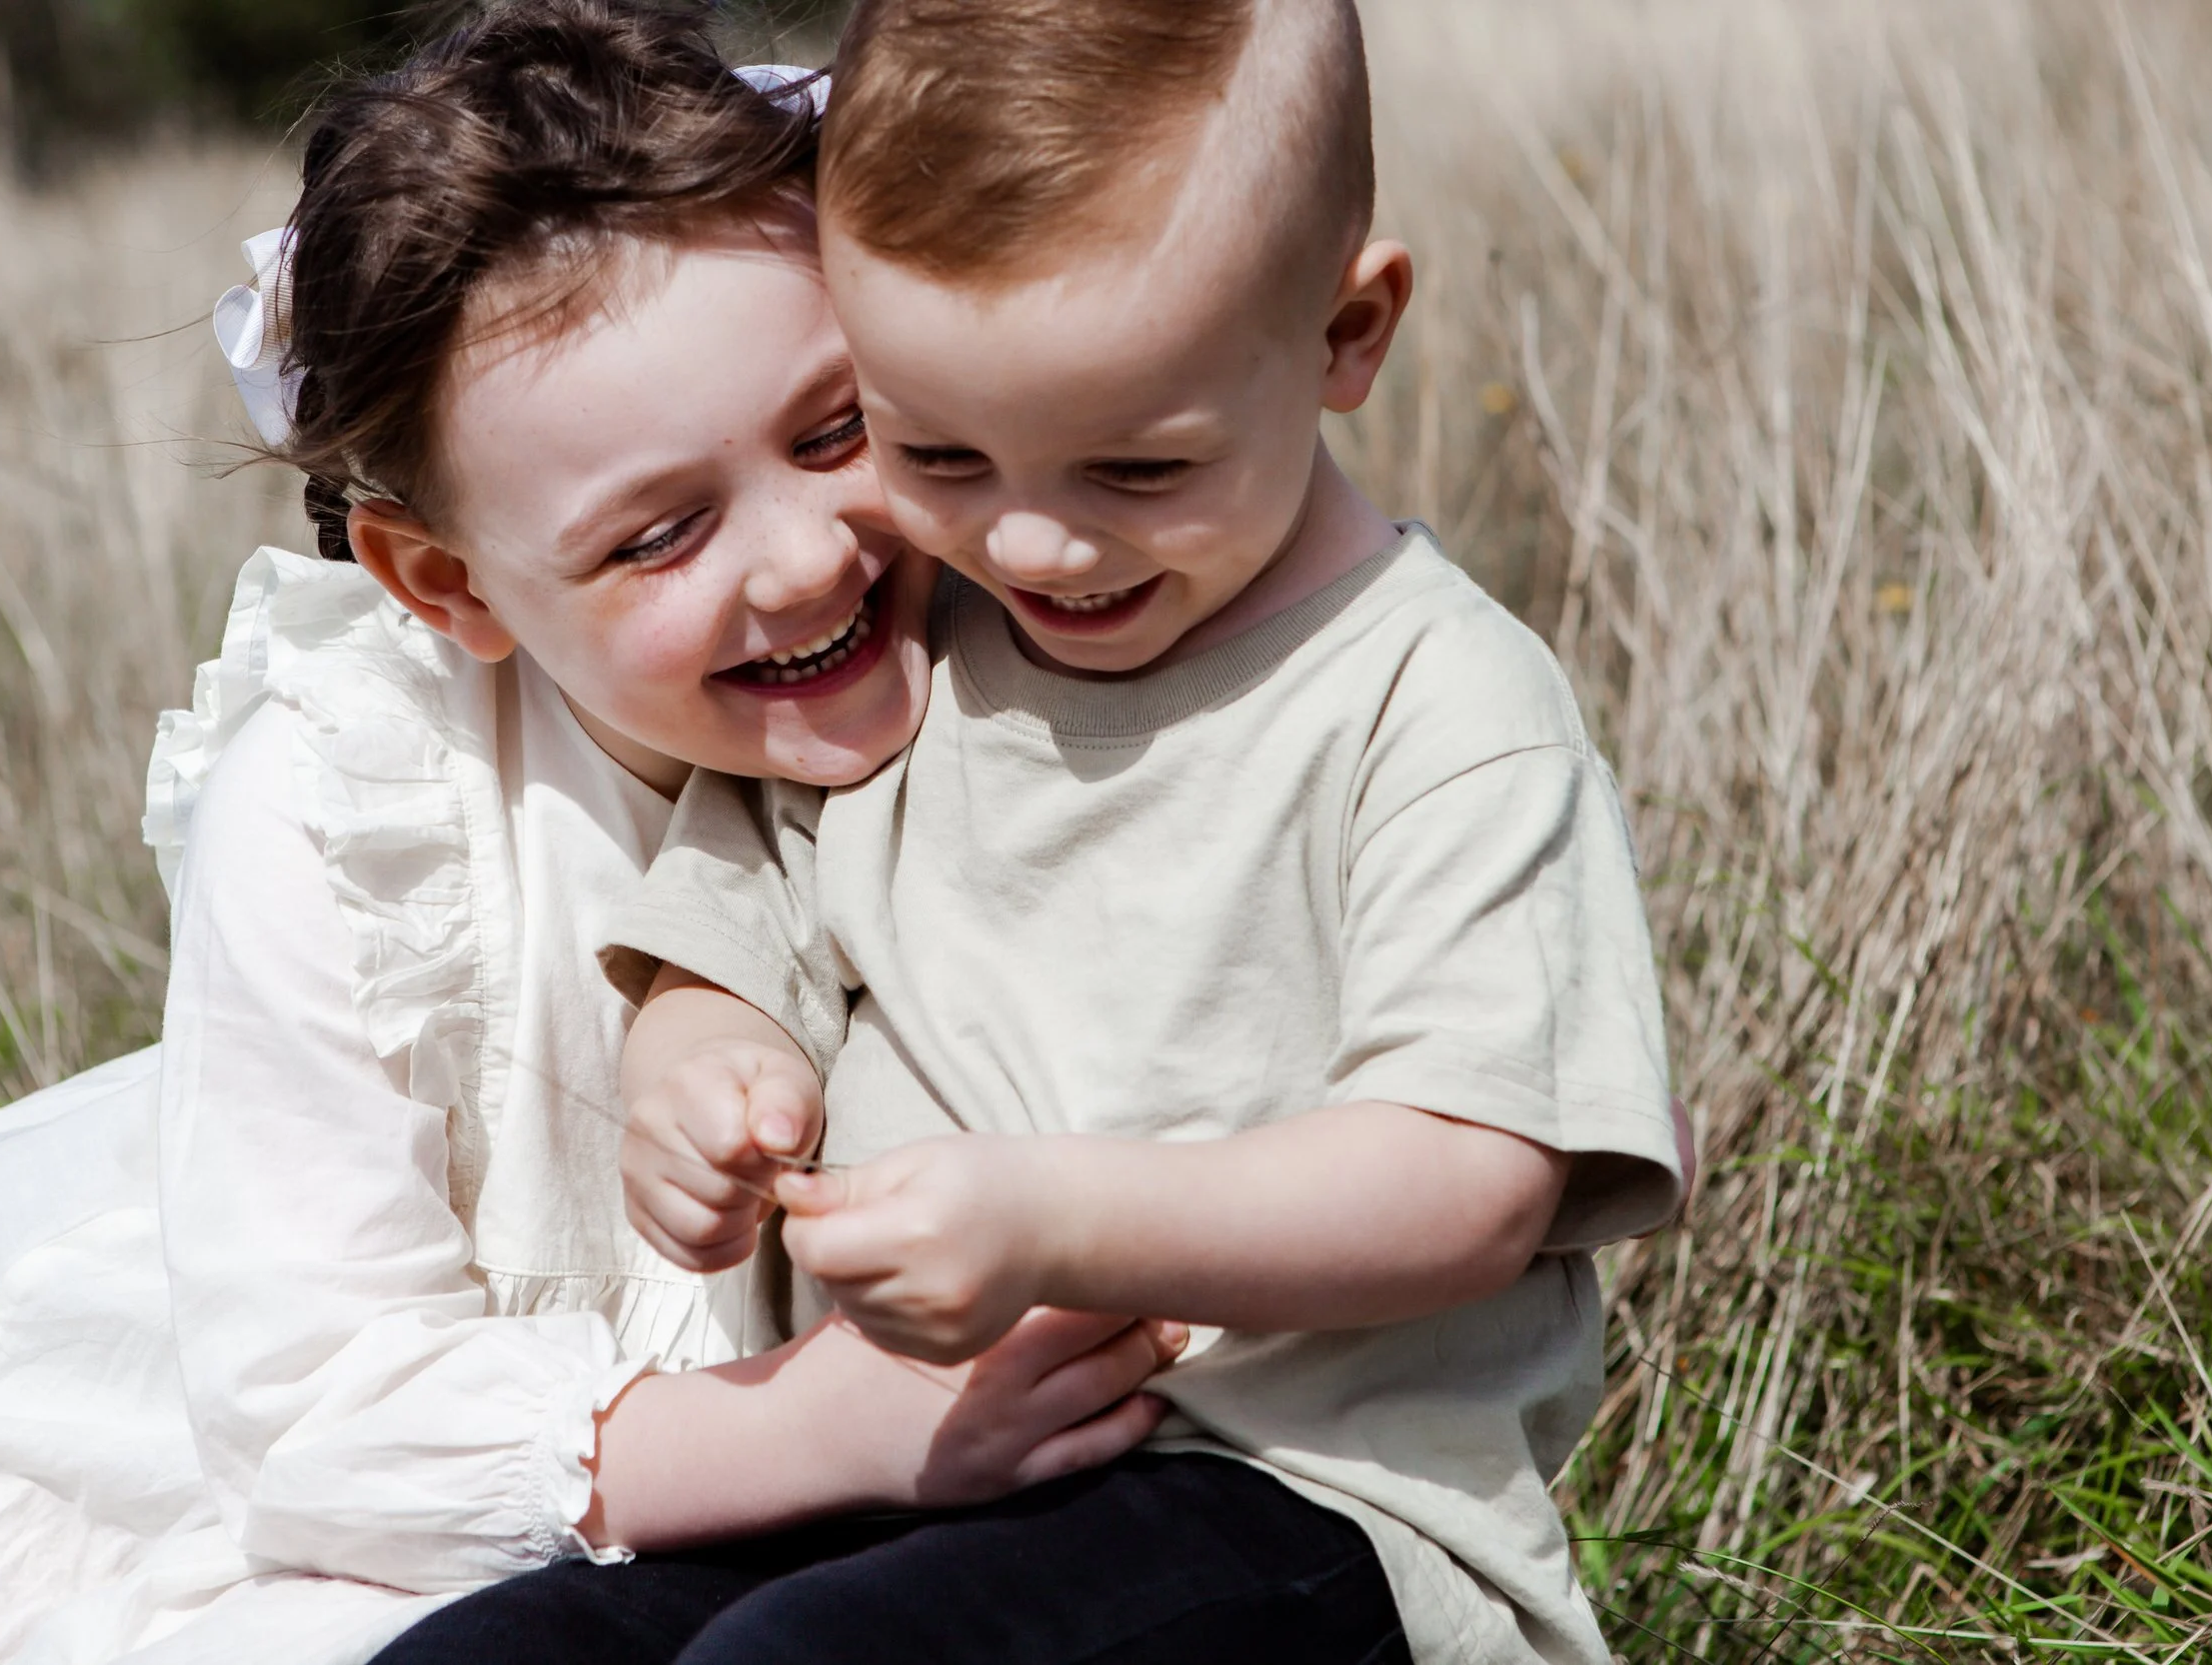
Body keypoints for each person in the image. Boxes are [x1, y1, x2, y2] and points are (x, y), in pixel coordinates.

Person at [0, 8, 1183, 1663]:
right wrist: (821, 1429)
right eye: (661, 533)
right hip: (354, 1412)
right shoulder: (338, 813)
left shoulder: (1038, 600)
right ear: (447, 585)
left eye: (831, 429)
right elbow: (320, 1423)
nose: (807, 559)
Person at [530, 1, 1687, 1662]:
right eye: (935, 449)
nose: (1034, 538)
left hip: (1299, 1508)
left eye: (1136, 469)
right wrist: (696, 1053)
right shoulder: (926, 639)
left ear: (1348, 334)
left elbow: (1469, 1179)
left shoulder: (1437, 706)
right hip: (904, 1476)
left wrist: (1058, 1222)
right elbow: (756, 906)